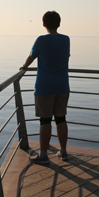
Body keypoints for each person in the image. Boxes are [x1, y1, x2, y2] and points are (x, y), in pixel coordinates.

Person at [20, 11, 70, 164]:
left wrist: (24, 66)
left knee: (45, 120)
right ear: (59, 23)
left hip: (45, 87)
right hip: (62, 85)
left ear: (44, 24)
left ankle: (43, 155)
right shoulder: (66, 39)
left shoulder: (41, 40)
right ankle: (63, 151)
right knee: (61, 118)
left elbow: (31, 56)